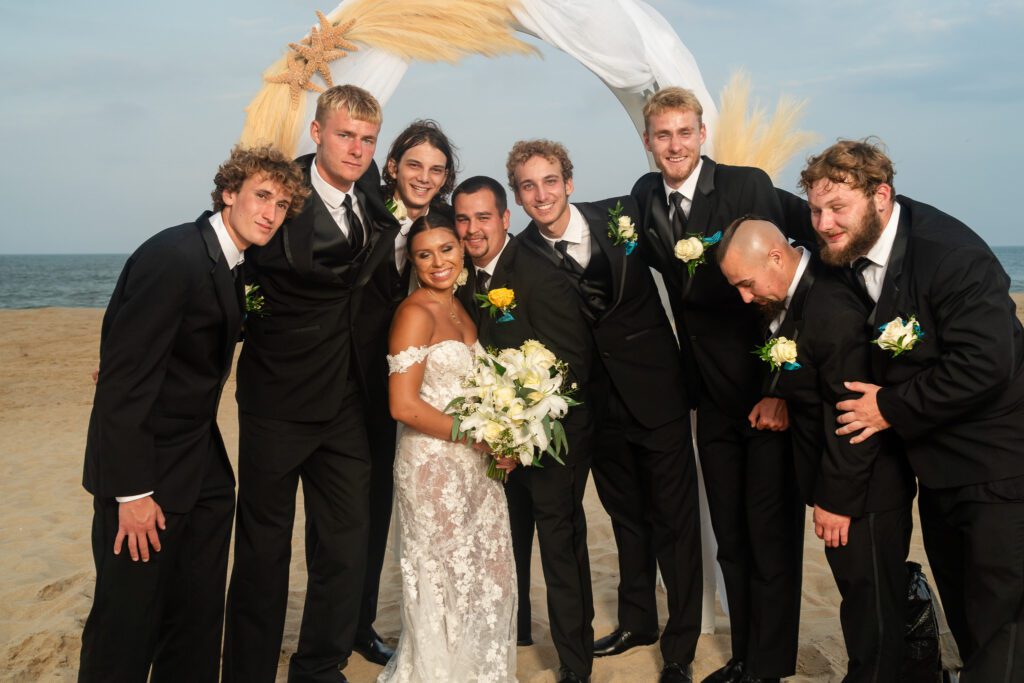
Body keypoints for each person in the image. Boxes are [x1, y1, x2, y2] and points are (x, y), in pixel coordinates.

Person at [79, 145, 306, 683]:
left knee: (196, 618)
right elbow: (122, 383)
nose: (270, 213)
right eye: (261, 196)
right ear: (229, 194)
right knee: (126, 625)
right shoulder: (174, 256)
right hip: (145, 473)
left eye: (281, 204)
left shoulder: (233, 264)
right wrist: (131, 494)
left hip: (200, 468)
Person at [801, 139, 1024, 681]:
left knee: (1003, 621)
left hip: (999, 465)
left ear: (882, 196)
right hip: (938, 469)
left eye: (837, 209)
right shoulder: (851, 249)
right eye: (815, 210)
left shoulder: (950, 254)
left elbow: (987, 363)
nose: (825, 223)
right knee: (967, 614)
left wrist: (890, 407)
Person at [223, 84, 400, 683]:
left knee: (347, 549)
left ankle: (318, 669)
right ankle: (247, 672)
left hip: (347, 403)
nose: (356, 149)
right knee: (263, 552)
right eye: (346, 134)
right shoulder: (278, 197)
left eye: (368, 140)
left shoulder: (374, 205)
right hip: (277, 402)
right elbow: (223, 268)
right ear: (317, 133)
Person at [508, 140, 703, 680]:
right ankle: (639, 622)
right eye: (528, 185)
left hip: (655, 392)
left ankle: (681, 651)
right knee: (626, 519)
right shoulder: (518, 255)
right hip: (590, 408)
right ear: (518, 196)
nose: (541, 193)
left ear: (569, 182)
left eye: (550, 180)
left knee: (675, 523)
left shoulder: (623, 215)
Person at [630, 86, 804, 683]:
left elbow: (787, 288)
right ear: (647, 140)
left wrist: (781, 386)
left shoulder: (746, 185)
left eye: (684, 132)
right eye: (662, 134)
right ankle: (745, 657)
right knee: (729, 534)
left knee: (769, 534)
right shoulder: (645, 196)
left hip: (765, 393)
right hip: (708, 395)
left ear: (702, 135)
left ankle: (771, 666)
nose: (674, 144)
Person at [717, 217, 916, 682]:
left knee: (873, 610)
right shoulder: (793, 293)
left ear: (776, 256)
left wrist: (837, 503)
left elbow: (853, 416)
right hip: (842, 480)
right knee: (861, 601)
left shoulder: (830, 309)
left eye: (746, 284)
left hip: (867, 485)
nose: (745, 298)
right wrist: (781, 392)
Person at [453, 176, 595, 683]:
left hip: (552, 442)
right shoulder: (463, 278)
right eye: (463, 219)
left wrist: (520, 436)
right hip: (497, 445)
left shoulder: (539, 273)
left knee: (560, 551)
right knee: (503, 545)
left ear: (506, 218)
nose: (473, 230)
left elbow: (572, 367)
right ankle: (512, 636)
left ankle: (576, 666)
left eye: (483, 217)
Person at [378, 211, 517, 683]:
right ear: (412, 262)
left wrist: (504, 433)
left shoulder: (463, 305)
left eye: (446, 249)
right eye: (424, 254)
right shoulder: (414, 313)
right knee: (441, 580)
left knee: (481, 575)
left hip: (476, 470)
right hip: (433, 467)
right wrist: (478, 435)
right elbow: (403, 405)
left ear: (462, 250)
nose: (438, 262)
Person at [345, 119, 458, 666]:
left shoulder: (440, 226)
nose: (424, 177)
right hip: (352, 382)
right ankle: (347, 623)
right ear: (391, 168)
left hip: (414, 382)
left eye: (436, 169)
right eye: (414, 165)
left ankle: (362, 623)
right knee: (353, 513)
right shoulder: (361, 210)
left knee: (383, 510)